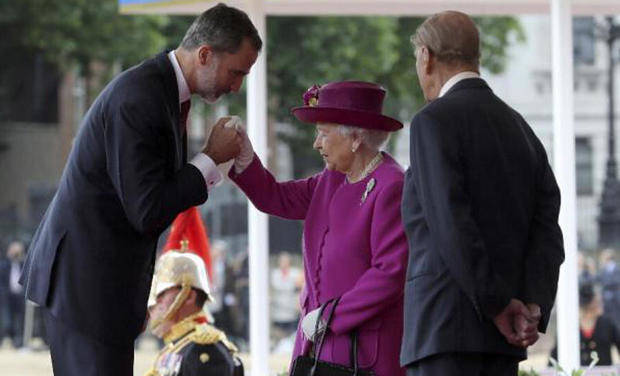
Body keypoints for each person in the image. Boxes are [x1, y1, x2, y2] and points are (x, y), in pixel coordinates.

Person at [18, 4, 261, 375]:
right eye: (236, 72)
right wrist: (210, 158)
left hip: (99, 284)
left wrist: (211, 164)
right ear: (206, 54)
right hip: (87, 286)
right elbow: (146, 209)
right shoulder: (142, 96)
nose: (236, 86)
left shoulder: (162, 91)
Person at [400, 11, 565, 376]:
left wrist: (496, 304)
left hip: (444, 332)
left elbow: (449, 221)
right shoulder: (522, 130)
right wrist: (531, 305)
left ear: (426, 56)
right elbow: (548, 230)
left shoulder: (432, 122)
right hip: (503, 343)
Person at [229, 81, 409, 375]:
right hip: (316, 344)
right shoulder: (331, 179)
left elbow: (390, 273)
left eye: (324, 134)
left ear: (355, 138)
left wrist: (330, 315)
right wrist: (245, 158)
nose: (317, 143)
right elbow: (276, 198)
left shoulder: (391, 185)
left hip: (364, 351)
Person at [145, 209, 243, 376]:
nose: (155, 303)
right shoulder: (177, 345)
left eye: (162, 295)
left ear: (189, 296)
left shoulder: (204, 349)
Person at [550, 282, 620, 366]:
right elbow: (554, 357)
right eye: (597, 300)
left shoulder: (607, 324)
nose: (601, 302)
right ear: (590, 303)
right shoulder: (569, 326)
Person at [271, 252, 303, 338]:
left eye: (286, 261)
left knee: (292, 333)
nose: (284, 263)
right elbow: (275, 286)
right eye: (282, 261)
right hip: (279, 310)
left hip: (292, 309)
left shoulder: (295, 273)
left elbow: (299, 287)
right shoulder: (275, 273)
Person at [0, 241, 25, 348]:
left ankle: (18, 342)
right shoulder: (4, 264)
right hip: (6, 297)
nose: (15, 253)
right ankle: (4, 339)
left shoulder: (23, 264)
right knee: (6, 319)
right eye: (14, 251)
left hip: (20, 296)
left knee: (19, 320)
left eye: (18, 251)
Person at [597, 248, 620, 330]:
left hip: (616, 300)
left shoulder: (617, 268)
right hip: (606, 301)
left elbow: (616, 281)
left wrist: (606, 283)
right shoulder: (603, 270)